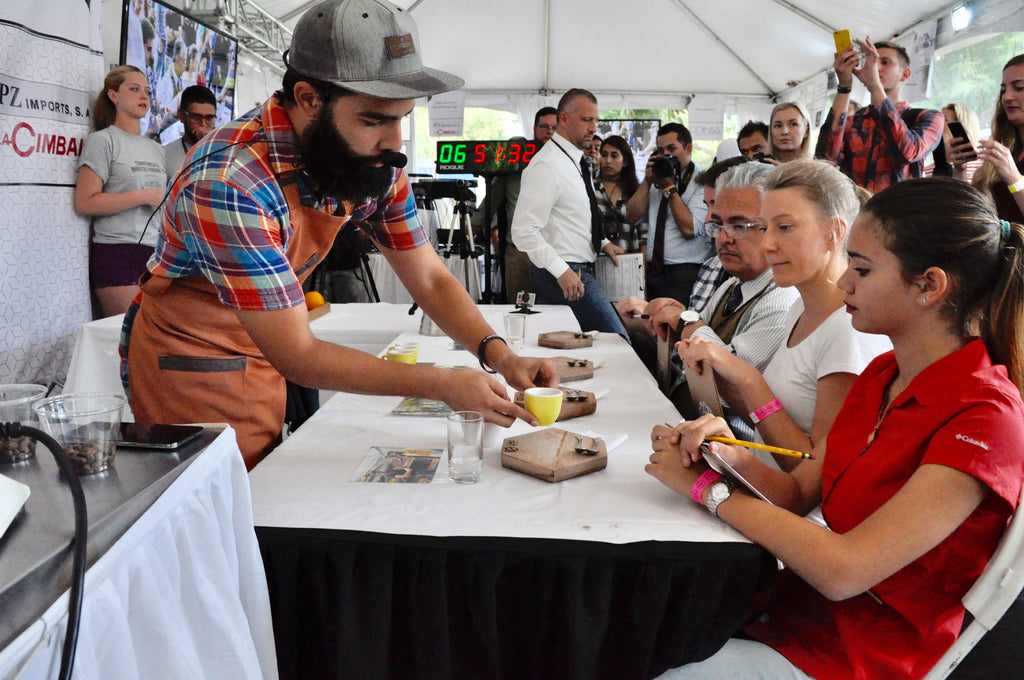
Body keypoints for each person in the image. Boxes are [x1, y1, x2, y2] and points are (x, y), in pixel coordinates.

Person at [120, 0, 558, 468]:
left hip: (265, 343)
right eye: (373, 120)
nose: (394, 143)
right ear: (309, 99)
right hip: (194, 355)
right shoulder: (230, 181)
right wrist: (442, 383)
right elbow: (298, 352)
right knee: (221, 490)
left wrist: (501, 356)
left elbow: (429, 278)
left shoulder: (373, 160)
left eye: (402, 118)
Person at [647, 177, 1024, 680]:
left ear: (929, 286)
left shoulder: (985, 419)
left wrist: (707, 492)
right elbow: (798, 492)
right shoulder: (884, 374)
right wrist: (722, 455)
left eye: (862, 269)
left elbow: (845, 570)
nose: (844, 282)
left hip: (854, 657)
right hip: (791, 615)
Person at [680, 160, 891, 469]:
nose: (767, 244)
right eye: (765, 227)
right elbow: (778, 436)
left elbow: (815, 473)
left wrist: (748, 380)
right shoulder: (801, 309)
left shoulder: (849, 330)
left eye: (784, 227)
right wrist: (725, 441)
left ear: (834, 232)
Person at [645, 163, 799, 428]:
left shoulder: (783, 298)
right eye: (717, 225)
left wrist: (683, 320)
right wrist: (666, 318)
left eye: (738, 226)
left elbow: (729, 383)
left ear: (774, 227)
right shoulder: (733, 286)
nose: (724, 238)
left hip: (738, 445)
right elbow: (688, 344)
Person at [511, 88, 628, 337]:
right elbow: (523, 231)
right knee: (618, 342)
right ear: (563, 119)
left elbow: (574, 215)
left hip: (575, 267)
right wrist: (561, 270)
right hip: (565, 269)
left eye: (595, 120)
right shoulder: (547, 164)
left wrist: (603, 242)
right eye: (586, 120)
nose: (593, 128)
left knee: (591, 345)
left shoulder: (573, 160)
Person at [75, 65, 168, 318]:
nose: (143, 96)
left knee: (154, 336)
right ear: (113, 95)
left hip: (156, 251)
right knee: (127, 334)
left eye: (147, 91)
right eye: (134, 89)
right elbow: (85, 202)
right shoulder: (103, 140)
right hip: (117, 249)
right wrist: (144, 196)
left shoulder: (156, 149)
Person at [817, 37, 943, 192]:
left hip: (899, 206)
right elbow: (825, 160)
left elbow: (907, 153)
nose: (875, 68)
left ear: (905, 74)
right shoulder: (852, 122)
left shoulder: (928, 117)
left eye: (885, 62)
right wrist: (844, 85)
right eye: (872, 62)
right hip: (856, 206)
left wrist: (874, 86)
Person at [471, 106, 557, 300]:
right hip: (521, 251)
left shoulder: (569, 163)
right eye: (544, 126)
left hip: (558, 249)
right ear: (534, 129)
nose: (550, 132)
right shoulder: (514, 161)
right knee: (521, 308)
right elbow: (488, 204)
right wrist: (465, 234)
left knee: (557, 308)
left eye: (554, 127)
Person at [625, 122, 710, 303]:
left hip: (685, 271)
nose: (666, 155)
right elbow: (631, 216)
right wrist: (647, 182)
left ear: (688, 149)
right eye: (661, 150)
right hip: (654, 270)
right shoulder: (656, 177)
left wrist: (669, 188)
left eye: (672, 149)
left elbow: (690, 229)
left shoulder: (702, 181)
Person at [973, 54, 1024, 224]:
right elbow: (978, 213)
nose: (1007, 97)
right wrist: (960, 170)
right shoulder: (1005, 147)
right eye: (1003, 90)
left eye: (1019, 87)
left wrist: (1014, 178)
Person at [594, 135, 640, 251]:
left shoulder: (635, 191)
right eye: (604, 155)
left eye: (614, 156)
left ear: (625, 161)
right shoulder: (591, 187)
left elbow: (644, 228)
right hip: (598, 255)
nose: (608, 161)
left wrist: (644, 257)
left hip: (630, 255)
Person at [162, 84, 217, 179]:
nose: (203, 124)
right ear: (181, 116)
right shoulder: (166, 154)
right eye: (196, 117)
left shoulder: (226, 152)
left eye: (209, 118)